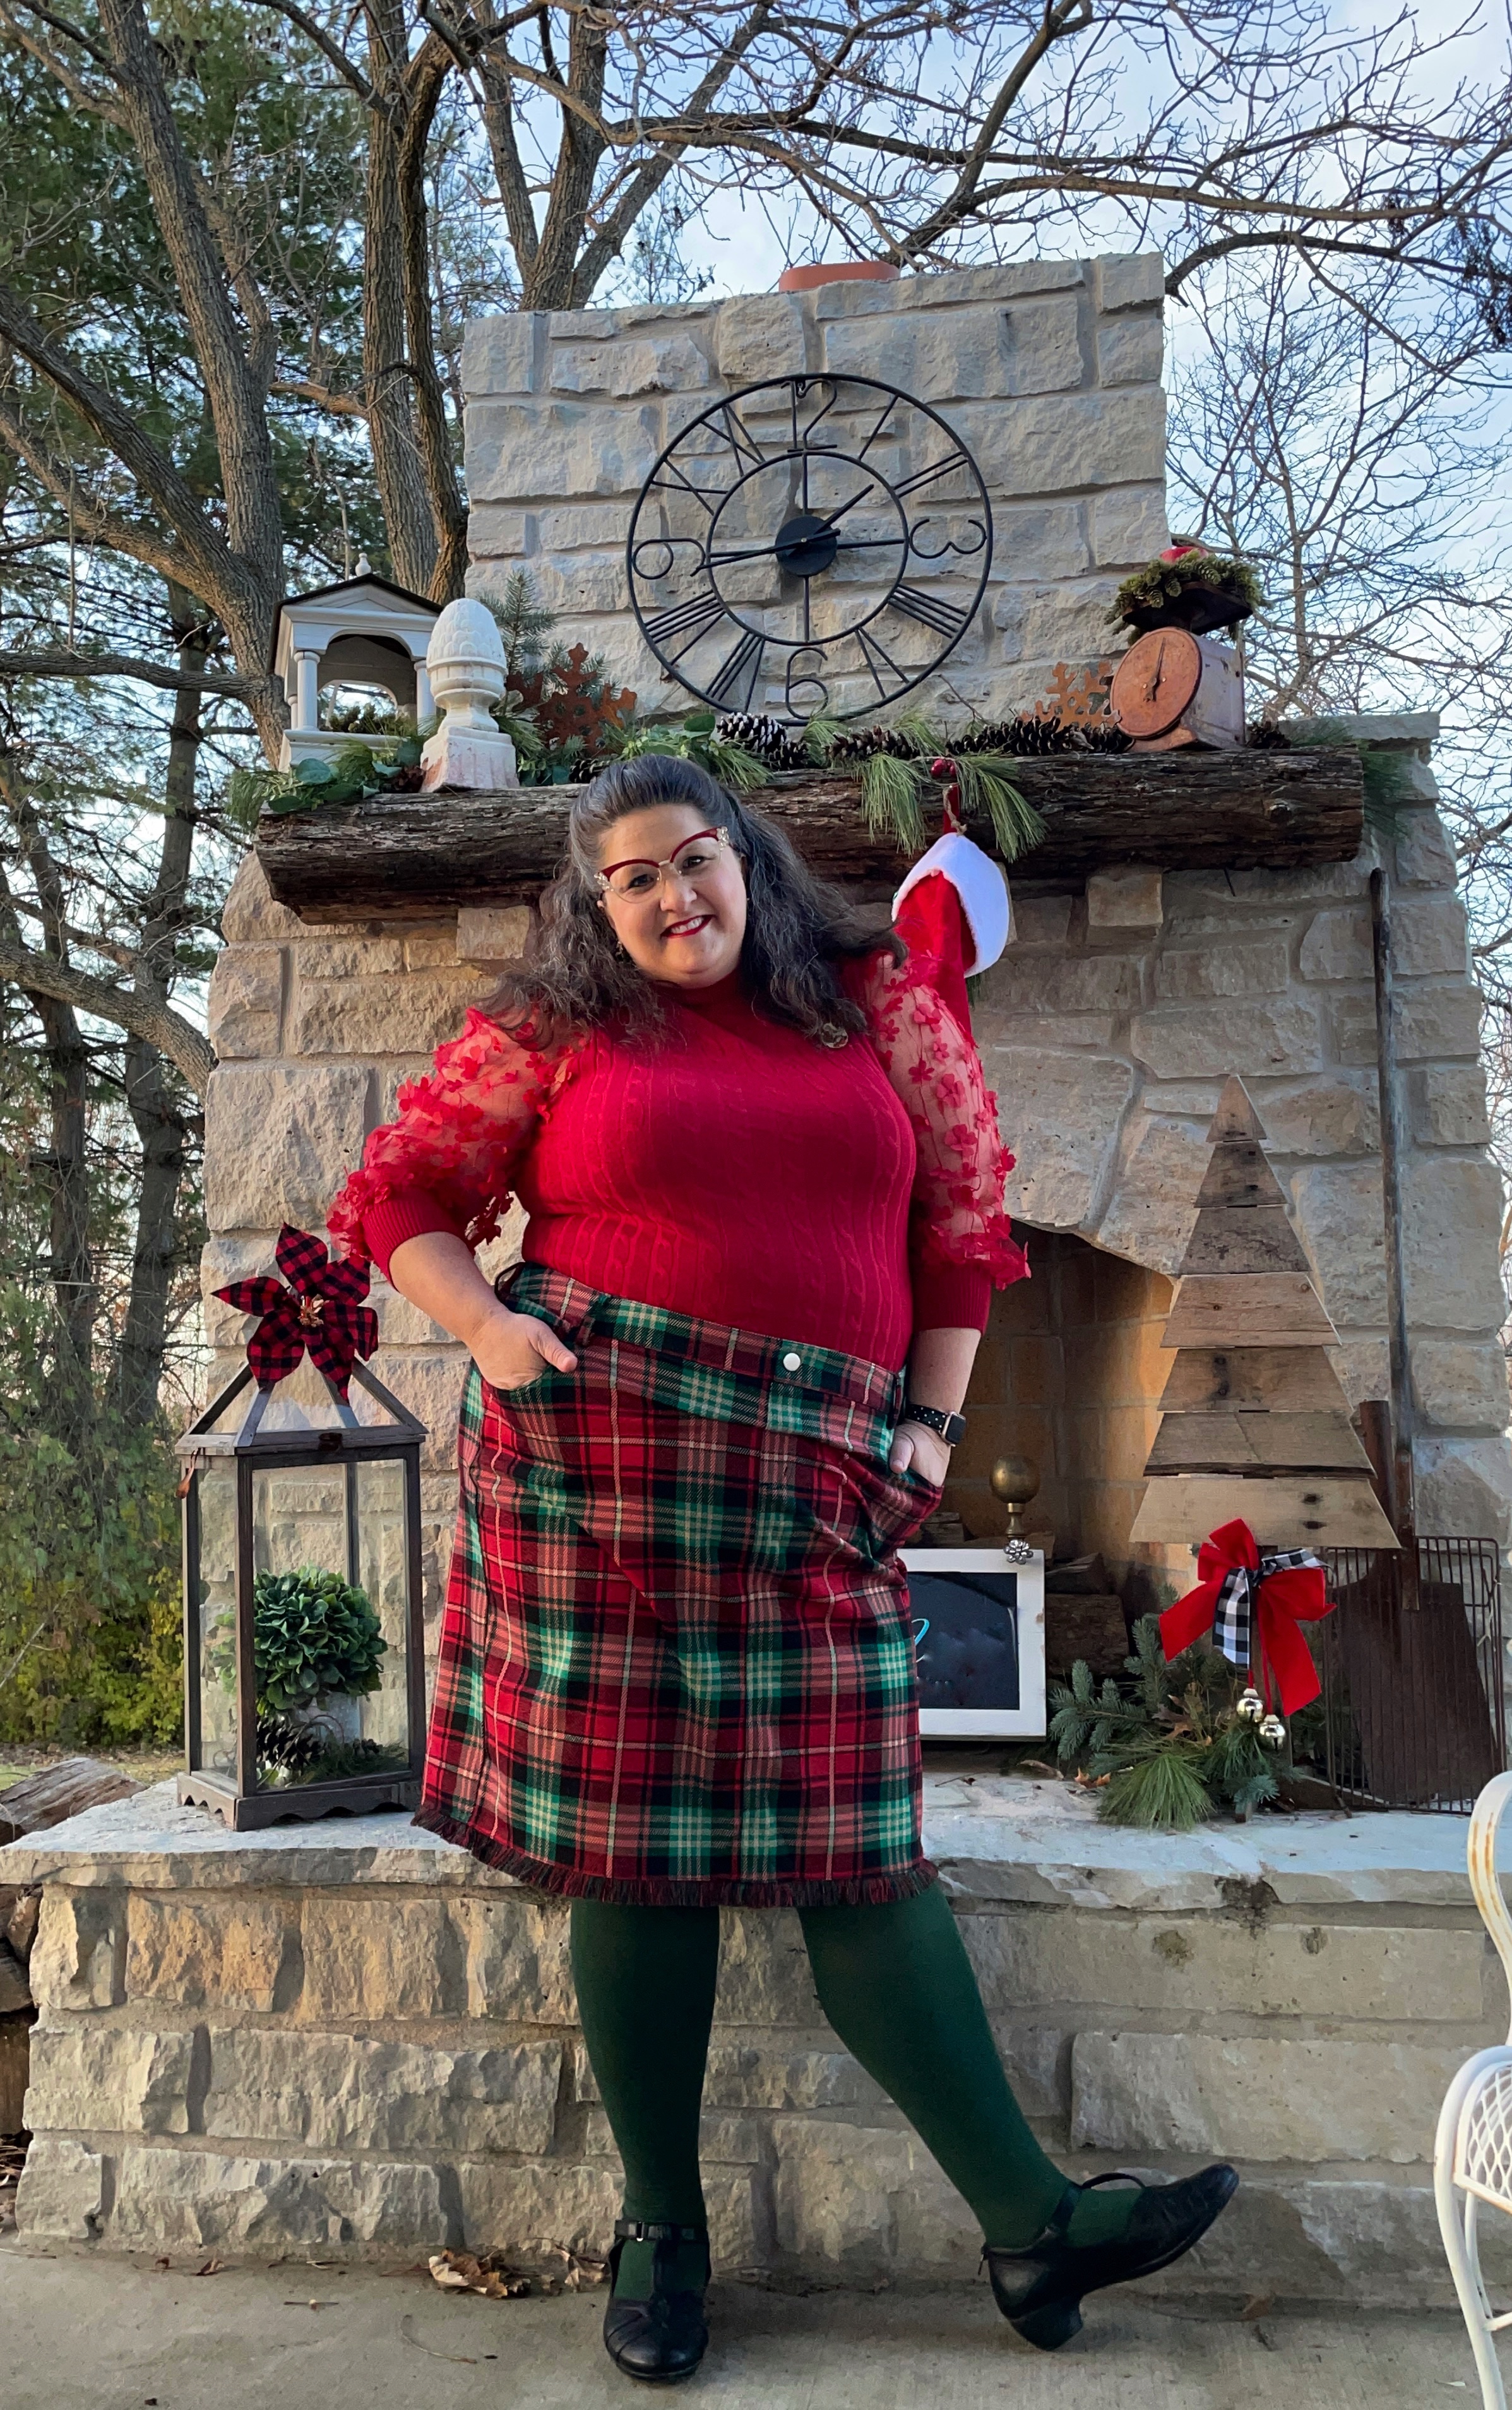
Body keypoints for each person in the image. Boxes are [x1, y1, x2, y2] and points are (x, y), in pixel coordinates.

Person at [326, 754, 1235, 2382]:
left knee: (859, 1851)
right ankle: (661, 2235)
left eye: (696, 858)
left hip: (821, 1469)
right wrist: (491, 1333)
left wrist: (931, 1432)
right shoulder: (558, 1025)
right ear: (597, 906)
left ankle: (1032, 2225)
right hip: (601, 1456)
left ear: (746, 858)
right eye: (634, 879)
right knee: (635, 1855)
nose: (675, 896)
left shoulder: (878, 999)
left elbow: (964, 1224)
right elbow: (402, 1192)